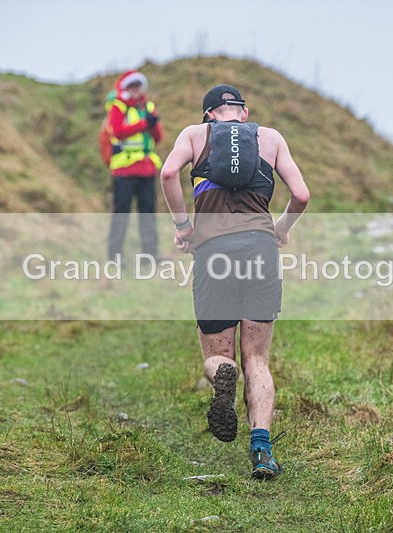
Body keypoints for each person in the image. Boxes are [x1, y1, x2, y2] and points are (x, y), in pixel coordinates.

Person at [159, 85, 310, 479]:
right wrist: (281, 229)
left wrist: (183, 227)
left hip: (214, 253)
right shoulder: (271, 138)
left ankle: (222, 373)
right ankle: (262, 451)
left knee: (218, 355)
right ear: (243, 113)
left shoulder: (195, 135)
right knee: (257, 358)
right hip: (261, 249)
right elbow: (302, 195)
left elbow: (168, 172)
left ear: (209, 114)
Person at [105, 70, 164, 264]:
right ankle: (115, 257)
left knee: (148, 213)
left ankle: (150, 256)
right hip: (124, 170)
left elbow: (158, 137)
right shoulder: (118, 107)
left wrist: (153, 125)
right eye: (132, 86)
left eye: (138, 86)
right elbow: (118, 131)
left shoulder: (149, 106)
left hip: (146, 169)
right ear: (125, 88)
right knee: (121, 213)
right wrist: (143, 123)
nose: (136, 90)